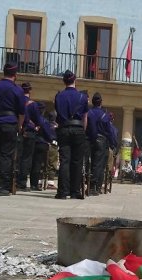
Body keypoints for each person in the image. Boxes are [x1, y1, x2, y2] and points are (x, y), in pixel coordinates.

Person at [0, 63, 26, 196]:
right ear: (15, 75)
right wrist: (19, 126)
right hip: (9, 123)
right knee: (6, 155)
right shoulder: (17, 90)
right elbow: (21, 111)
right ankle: (1, 185)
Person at [54, 70, 89, 199]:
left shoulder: (59, 96)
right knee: (77, 161)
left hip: (64, 128)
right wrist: (83, 130)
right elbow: (85, 117)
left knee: (64, 160)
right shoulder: (82, 97)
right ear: (75, 80)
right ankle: (75, 191)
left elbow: (58, 114)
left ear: (64, 81)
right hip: (78, 128)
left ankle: (63, 191)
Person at [86, 92, 114, 196]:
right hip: (101, 141)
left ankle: (88, 183)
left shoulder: (89, 113)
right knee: (99, 164)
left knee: (88, 162)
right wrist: (112, 143)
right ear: (101, 102)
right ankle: (95, 186)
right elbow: (109, 131)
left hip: (89, 140)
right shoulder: (104, 115)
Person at [15, 82, 38, 191]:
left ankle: (13, 179)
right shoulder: (32, 104)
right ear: (30, 90)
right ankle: (21, 182)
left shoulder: (17, 102)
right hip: (29, 132)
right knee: (26, 159)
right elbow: (38, 119)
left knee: (16, 157)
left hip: (18, 131)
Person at [29, 102, 54, 191]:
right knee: (38, 164)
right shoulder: (43, 120)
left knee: (32, 163)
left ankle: (33, 182)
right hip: (41, 143)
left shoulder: (31, 119)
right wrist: (51, 139)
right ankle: (34, 184)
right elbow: (48, 133)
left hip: (32, 141)